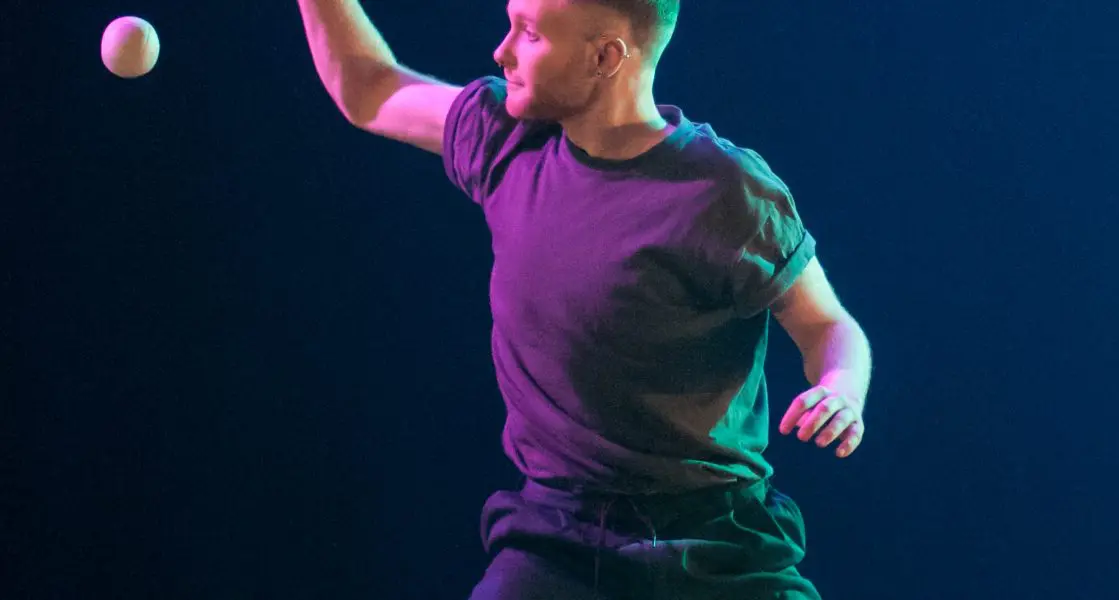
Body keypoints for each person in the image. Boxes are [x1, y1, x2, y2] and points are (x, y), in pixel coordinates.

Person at [297, 1, 873, 598]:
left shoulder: (723, 191)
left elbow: (827, 325)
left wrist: (841, 387)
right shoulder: (505, 140)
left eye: (530, 33)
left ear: (605, 57)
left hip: (710, 544)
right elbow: (368, 88)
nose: (502, 51)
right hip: (555, 539)